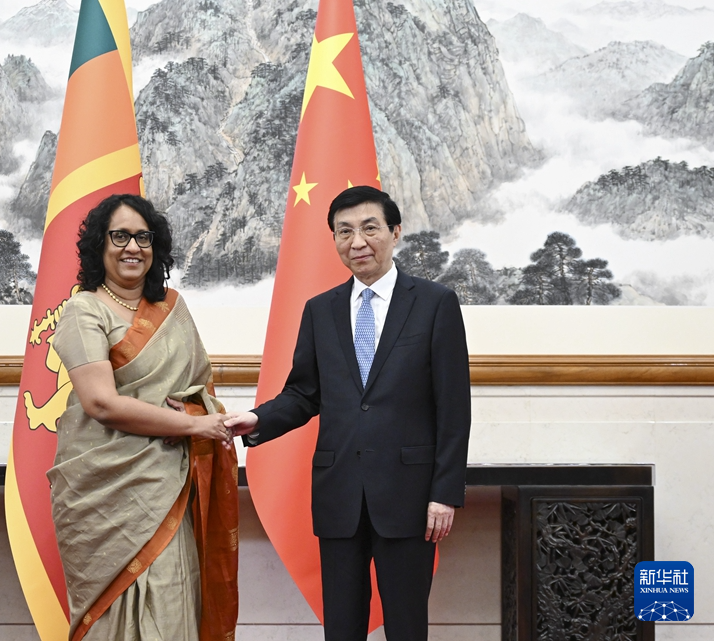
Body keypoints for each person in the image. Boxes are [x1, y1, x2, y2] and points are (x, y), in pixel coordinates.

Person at [226, 186, 471, 641]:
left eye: (369, 228)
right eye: (344, 232)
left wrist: (445, 493)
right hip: (339, 495)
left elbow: (454, 408)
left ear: (395, 232)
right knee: (341, 626)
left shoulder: (435, 303)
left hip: (409, 496)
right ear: (335, 240)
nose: (357, 242)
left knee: (407, 626)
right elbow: (303, 394)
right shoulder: (321, 310)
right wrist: (258, 420)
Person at [47, 193, 238, 641]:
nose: (133, 247)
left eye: (143, 237)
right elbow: (101, 403)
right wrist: (193, 424)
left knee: (172, 601)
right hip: (103, 492)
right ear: (99, 244)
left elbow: (199, 390)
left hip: (168, 485)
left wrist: (197, 411)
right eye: (120, 236)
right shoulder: (84, 310)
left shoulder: (173, 308)